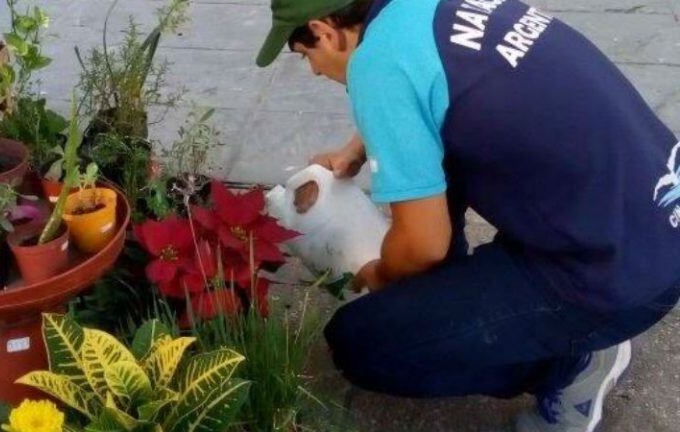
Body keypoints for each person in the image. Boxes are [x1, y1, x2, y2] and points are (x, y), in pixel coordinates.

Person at [256, 0, 680, 430]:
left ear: (323, 31)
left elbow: (423, 245)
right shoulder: (424, 10)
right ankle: (462, 303)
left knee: (360, 344)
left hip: (609, 277)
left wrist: (380, 275)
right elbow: (429, 89)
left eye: (306, 55)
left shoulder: (376, 66)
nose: (312, 70)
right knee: (444, 155)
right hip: (654, 223)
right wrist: (359, 147)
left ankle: (573, 367)